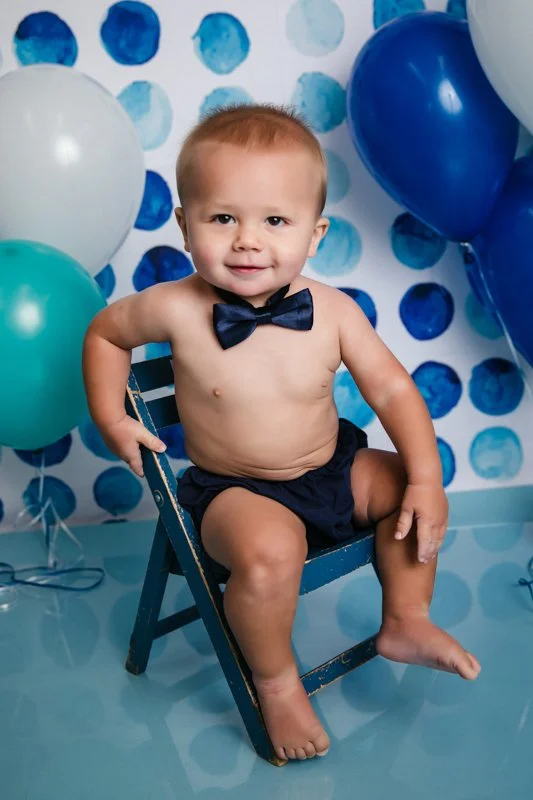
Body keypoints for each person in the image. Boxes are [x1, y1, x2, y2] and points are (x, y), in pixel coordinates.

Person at [82, 104, 481, 764]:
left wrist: (427, 477)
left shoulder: (331, 310)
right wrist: (112, 416)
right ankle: (275, 681)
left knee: (405, 491)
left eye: (274, 220)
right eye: (222, 218)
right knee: (268, 555)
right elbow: (103, 333)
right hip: (233, 493)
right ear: (184, 226)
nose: (247, 240)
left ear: (314, 233)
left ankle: (403, 619)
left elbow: (390, 390)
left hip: (328, 469)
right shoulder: (175, 308)